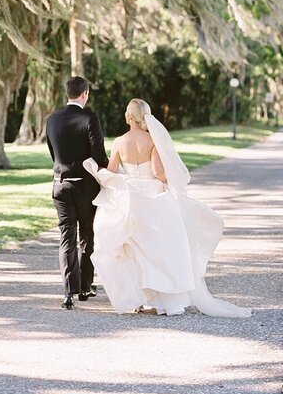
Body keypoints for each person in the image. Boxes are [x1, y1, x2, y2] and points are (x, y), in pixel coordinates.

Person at [83, 98, 251, 318]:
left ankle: (139, 299)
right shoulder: (152, 141)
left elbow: (113, 172)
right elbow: (158, 172)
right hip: (153, 196)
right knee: (160, 249)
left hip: (130, 198)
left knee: (134, 251)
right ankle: (164, 300)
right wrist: (168, 183)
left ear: (129, 116)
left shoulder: (119, 142)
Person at [45, 75, 109, 309]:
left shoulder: (52, 119)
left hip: (60, 185)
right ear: (85, 94)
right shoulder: (89, 117)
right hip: (85, 186)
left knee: (66, 238)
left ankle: (68, 292)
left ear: (68, 93)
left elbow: (54, 154)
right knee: (87, 236)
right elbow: (99, 156)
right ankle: (85, 287)